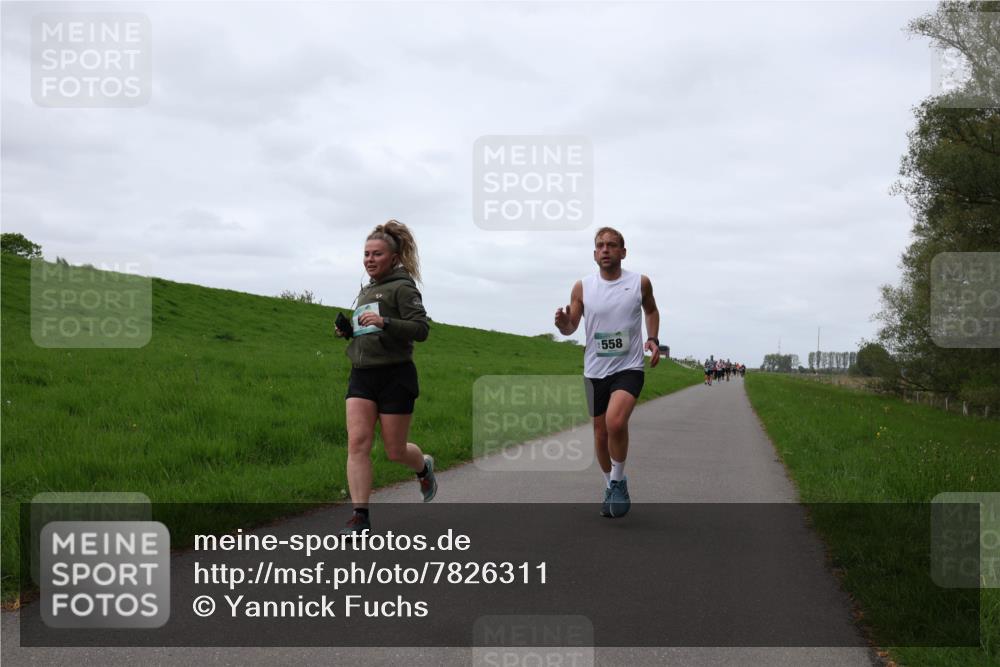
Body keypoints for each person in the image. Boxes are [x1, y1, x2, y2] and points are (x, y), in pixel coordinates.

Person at [334, 220, 436, 534]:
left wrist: (385, 322)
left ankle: (423, 467)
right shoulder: (365, 290)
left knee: (395, 451)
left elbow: (421, 330)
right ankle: (360, 517)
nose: (370, 259)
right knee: (357, 444)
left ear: (393, 257)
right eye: (366, 254)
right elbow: (368, 330)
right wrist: (348, 331)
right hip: (362, 375)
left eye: (377, 254)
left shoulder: (404, 288)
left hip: (396, 376)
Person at [555, 227, 660, 518]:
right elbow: (571, 326)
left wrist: (653, 338)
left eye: (612, 245)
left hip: (628, 367)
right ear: (594, 253)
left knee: (615, 422)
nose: (605, 249)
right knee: (600, 434)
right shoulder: (582, 287)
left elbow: (651, 311)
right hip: (595, 370)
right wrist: (563, 324)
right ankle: (611, 486)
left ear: (623, 252)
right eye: (600, 245)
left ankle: (617, 481)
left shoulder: (639, 283)